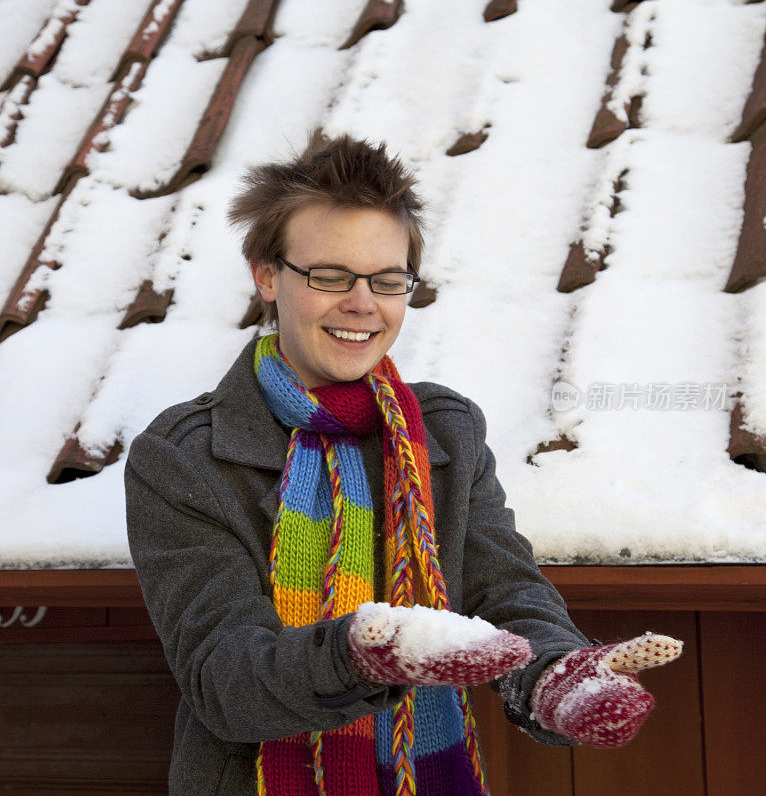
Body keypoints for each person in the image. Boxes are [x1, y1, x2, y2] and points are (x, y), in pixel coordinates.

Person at [125, 134, 683, 796]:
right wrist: (360, 657)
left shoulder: (448, 435)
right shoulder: (185, 460)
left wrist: (556, 674)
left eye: (388, 281)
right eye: (329, 275)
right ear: (267, 275)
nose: (363, 303)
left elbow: (502, 592)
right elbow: (225, 680)